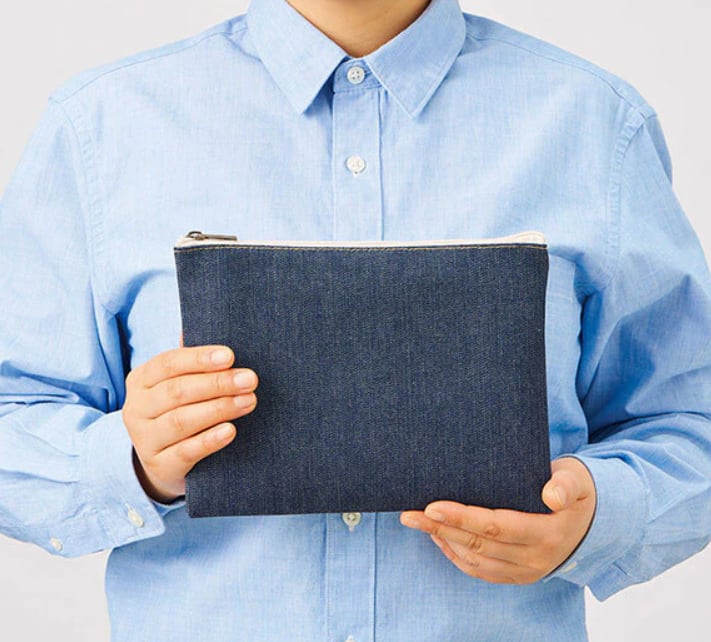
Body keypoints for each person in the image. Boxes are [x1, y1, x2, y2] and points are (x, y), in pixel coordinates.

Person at [0, 0, 709, 639]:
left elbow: (688, 419)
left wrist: (596, 516)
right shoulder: (101, 125)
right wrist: (132, 460)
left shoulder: (594, 122)